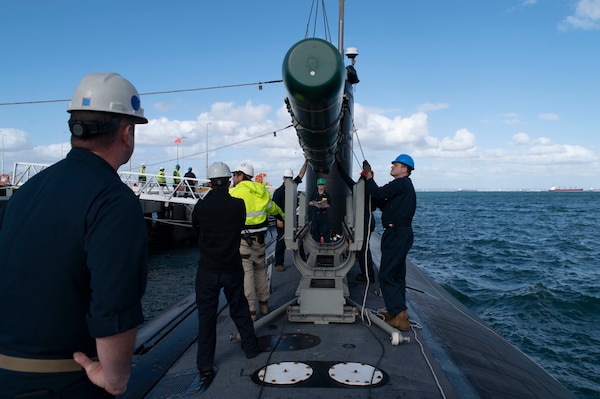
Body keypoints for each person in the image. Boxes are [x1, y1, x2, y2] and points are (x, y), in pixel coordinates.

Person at [0, 72, 149, 398]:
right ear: (127, 133)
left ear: (74, 128)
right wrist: (115, 378)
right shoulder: (113, 200)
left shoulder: (26, 192)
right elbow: (113, 305)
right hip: (65, 382)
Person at [191, 162, 259, 392]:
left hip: (207, 270)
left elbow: (196, 229)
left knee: (206, 317)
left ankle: (205, 365)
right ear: (229, 182)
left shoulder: (200, 207)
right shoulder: (238, 205)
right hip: (231, 266)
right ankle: (251, 349)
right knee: (239, 308)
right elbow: (239, 225)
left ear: (209, 183)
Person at [363, 154, 416, 331]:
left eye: (396, 165)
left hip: (396, 233)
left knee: (386, 274)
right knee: (397, 275)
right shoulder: (403, 187)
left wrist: (369, 178)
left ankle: (399, 315)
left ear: (405, 169)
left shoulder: (401, 183)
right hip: (400, 233)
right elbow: (382, 202)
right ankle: (398, 312)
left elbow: (377, 193)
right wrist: (370, 183)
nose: (392, 167)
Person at [230, 161, 285, 320]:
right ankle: (264, 305)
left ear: (240, 176)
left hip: (243, 241)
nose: (233, 177)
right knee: (260, 271)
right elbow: (273, 209)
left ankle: (251, 311)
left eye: (235, 174)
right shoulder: (261, 191)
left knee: (246, 274)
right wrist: (283, 217)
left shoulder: (234, 192)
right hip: (260, 241)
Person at [335, 160, 376, 282]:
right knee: (363, 248)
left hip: (364, 220)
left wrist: (337, 162)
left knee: (363, 249)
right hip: (366, 219)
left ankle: (368, 276)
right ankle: (367, 274)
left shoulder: (359, 188)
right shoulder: (370, 189)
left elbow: (345, 177)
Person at [272, 159, 308, 272]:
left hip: (292, 219)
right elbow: (273, 208)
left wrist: (306, 161)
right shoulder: (278, 192)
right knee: (281, 241)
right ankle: (279, 263)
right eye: (287, 178)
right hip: (282, 220)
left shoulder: (293, 186)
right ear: (283, 179)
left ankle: (302, 259)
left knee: (298, 239)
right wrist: (278, 220)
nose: (289, 180)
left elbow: (301, 175)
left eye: (290, 179)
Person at [308, 177, 332, 243]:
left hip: (323, 215)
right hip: (315, 215)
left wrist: (324, 206)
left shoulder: (327, 195)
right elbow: (309, 202)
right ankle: (316, 247)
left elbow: (330, 204)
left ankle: (327, 248)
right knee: (315, 232)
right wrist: (314, 203)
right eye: (319, 185)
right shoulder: (313, 194)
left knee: (325, 232)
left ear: (324, 185)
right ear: (317, 185)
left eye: (321, 185)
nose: (320, 186)